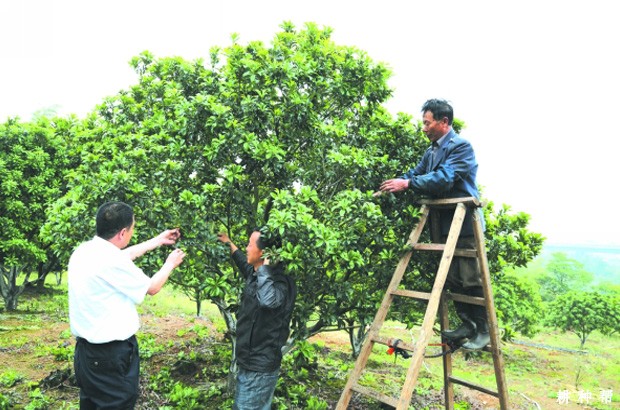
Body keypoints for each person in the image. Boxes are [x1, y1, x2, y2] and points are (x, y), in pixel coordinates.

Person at [378, 98, 489, 351]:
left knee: (470, 278)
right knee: (453, 278)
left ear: (444, 122)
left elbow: (444, 178)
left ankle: (483, 329)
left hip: (464, 225)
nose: (424, 128)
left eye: (428, 123)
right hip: (444, 226)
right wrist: (398, 181)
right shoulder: (431, 151)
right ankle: (468, 323)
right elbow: (416, 174)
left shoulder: (461, 147)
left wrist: (408, 184)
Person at [68, 201, 186, 409]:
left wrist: (157, 241)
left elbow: (123, 256)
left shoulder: (84, 251)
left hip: (86, 355)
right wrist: (170, 263)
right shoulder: (112, 261)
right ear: (123, 233)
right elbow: (152, 287)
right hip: (111, 357)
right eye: (132, 229)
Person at [217, 228, 296, 410]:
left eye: (250, 244)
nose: (246, 248)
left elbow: (268, 301)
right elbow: (245, 266)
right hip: (249, 362)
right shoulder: (257, 274)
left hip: (259, 368)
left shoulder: (279, 282)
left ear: (265, 254)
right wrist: (229, 243)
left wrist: (265, 268)